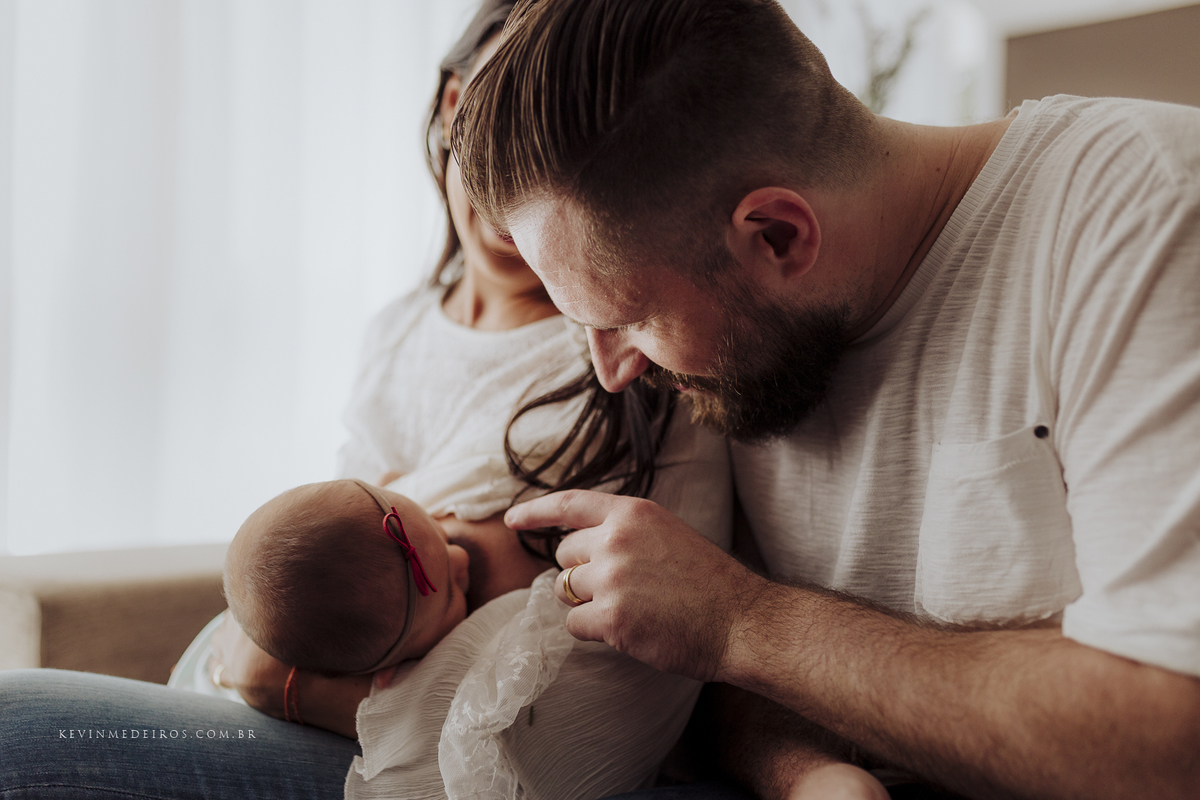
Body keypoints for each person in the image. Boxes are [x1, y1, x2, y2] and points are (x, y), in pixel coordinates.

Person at [449, 1, 1200, 799]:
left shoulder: (1145, 212)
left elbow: (1172, 740)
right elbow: (696, 665)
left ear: (777, 236)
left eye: (629, 319)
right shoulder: (745, 346)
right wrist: (804, 772)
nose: (612, 369)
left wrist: (746, 622)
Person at [0, 2, 733, 798]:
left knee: (20, 732)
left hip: (458, 765)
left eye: (568, 154)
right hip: (346, 722)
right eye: (498, 135)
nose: (518, 187)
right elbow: (336, 574)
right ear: (454, 107)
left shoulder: (621, 358)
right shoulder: (400, 331)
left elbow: (509, 685)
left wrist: (276, 681)